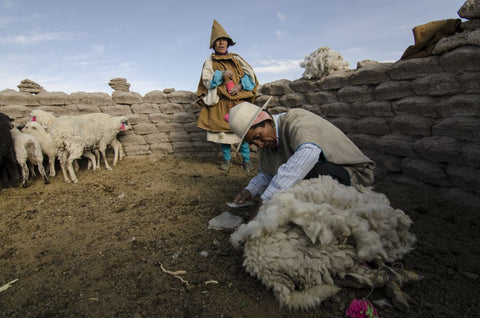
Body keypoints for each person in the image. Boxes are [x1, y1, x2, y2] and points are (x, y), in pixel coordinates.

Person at [226, 98, 376, 203]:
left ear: (267, 121)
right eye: (253, 142)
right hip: (319, 175)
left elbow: (307, 155)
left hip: (350, 173)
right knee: (291, 183)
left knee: (308, 174)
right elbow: (267, 173)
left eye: (258, 136)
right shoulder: (268, 143)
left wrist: (267, 198)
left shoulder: (297, 119)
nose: (259, 144)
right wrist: (250, 190)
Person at [196, 20, 258, 172]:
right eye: (218, 41)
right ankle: (227, 160)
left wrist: (240, 86)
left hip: (238, 102)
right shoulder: (210, 62)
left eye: (224, 41)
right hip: (221, 103)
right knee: (223, 133)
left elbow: (250, 78)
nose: (221, 43)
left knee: (242, 132)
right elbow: (207, 82)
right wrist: (221, 74)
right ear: (214, 45)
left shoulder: (236, 60)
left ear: (228, 44)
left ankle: (246, 160)